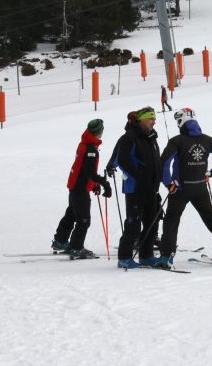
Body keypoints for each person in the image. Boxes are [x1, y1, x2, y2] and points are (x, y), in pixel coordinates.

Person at [155, 107, 212, 268]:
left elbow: (163, 163)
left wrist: (168, 183)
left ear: (181, 121)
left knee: (171, 222)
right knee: (211, 219)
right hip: (200, 188)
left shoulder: (177, 141)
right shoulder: (207, 140)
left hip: (179, 189)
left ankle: (166, 257)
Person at [107, 107, 163, 269]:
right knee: (133, 223)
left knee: (152, 222)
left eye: (154, 119)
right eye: (151, 119)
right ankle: (124, 257)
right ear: (142, 120)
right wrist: (140, 177)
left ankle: (146, 256)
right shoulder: (129, 137)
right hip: (135, 188)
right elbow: (123, 160)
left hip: (152, 188)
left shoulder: (151, 137)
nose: (154, 122)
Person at [52, 119, 112, 259]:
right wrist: (103, 183)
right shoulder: (90, 148)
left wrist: (94, 185)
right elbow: (89, 172)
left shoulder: (85, 143)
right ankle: (76, 247)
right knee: (83, 219)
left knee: (72, 214)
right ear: (99, 132)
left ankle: (60, 241)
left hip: (75, 185)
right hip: (80, 188)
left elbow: (84, 169)